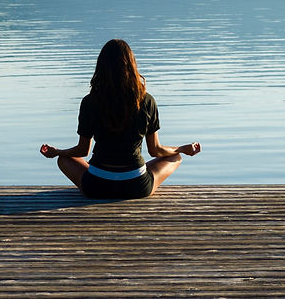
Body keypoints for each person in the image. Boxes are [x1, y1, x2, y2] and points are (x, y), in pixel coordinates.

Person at [40, 39, 201, 199]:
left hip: (96, 185)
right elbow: (155, 150)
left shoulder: (90, 101)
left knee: (63, 159)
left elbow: (83, 150)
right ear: (131, 66)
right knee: (175, 157)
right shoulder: (146, 101)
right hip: (136, 186)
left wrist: (57, 152)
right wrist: (181, 149)